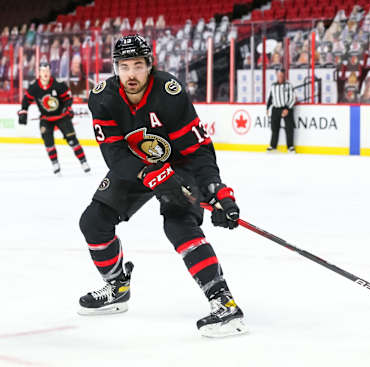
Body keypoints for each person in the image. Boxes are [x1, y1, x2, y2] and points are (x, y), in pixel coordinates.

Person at [77, 35, 247, 338]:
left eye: (138, 66)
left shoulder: (169, 93)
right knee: (93, 221)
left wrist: (214, 189)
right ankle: (117, 287)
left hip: (179, 165)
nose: (131, 74)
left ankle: (224, 303)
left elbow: (197, 148)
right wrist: (151, 174)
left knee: (179, 224)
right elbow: (115, 156)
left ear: (149, 66)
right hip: (135, 167)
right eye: (124, 66)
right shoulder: (102, 97)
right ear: (116, 68)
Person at [17, 62, 90, 175]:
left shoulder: (58, 85)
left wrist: (67, 108)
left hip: (61, 117)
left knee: (72, 140)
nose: (45, 73)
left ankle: (83, 162)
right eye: (42, 71)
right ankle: (55, 164)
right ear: (39, 73)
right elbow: (26, 100)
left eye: (47, 71)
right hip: (46, 119)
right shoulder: (34, 87)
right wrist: (24, 111)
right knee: (48, 143)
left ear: (50, 72)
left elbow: (68, 98)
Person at [266, 67, 296, 153]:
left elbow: (293, 98)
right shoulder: (273, 86)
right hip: (276, 108)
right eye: (278, 75)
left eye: (282, 75)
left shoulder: (289, 85)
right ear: (276, 76)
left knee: (289, 128)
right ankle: (273, 146)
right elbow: (270, 97)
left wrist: (287, 109)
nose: (280, 77)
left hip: (286, 108)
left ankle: (290, 146)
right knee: (274, 128)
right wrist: (268, 108)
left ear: (284, 75)